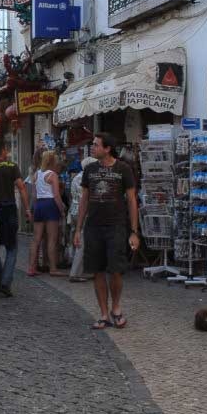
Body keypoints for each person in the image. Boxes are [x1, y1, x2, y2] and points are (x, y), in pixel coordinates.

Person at [73, 132, 140, 330]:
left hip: (116, 226)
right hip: (93, 227)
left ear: (107, 148)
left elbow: (132, 200)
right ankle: (103, 313)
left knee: (116, 270)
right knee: (97, 271)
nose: (92, 148)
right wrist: (78, 228)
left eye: (96, 145)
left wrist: (134, 231)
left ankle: (116, 308)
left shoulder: (123, 169)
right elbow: (84, 199)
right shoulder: (90, 170)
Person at [0, 140, 30, 296]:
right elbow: (21, 187)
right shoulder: (12, 167)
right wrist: (27, 209)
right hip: (9, 210)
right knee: (12, 247)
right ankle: (5, 281)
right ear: (2, 151)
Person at [28, 150, 68, 277]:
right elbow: (56, 195)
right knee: (52, 239)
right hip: (50, 205)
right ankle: (53, 268)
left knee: (36, 239)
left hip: (39, 205)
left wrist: (33, 209)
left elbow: (34, 195)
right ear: (52, 161)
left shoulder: (36, 174)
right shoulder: (53, 175)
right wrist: (61, 209)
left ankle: (31, 268)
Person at [68, 156, 97, 282]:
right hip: (83, 212)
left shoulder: (76, 177)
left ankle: (78, 267)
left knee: (76, 239)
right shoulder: (88, 178)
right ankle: (75, 273)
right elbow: (87, 198)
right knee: (82, 242)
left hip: (74, 210)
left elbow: (72, 194)